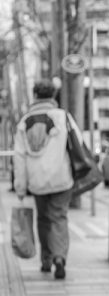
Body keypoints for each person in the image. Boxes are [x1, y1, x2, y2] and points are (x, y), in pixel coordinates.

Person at [13, 79, 74, 279]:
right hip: (61, 178)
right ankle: (60, 258)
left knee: (43, 218)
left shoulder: (24, 122)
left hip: (37, 181)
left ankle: (46, 260)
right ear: (53, 96)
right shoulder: (62, 117)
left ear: (35, 96)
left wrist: (20, 188)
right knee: (59, 217)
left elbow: (19, 157)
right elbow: (78, 143)